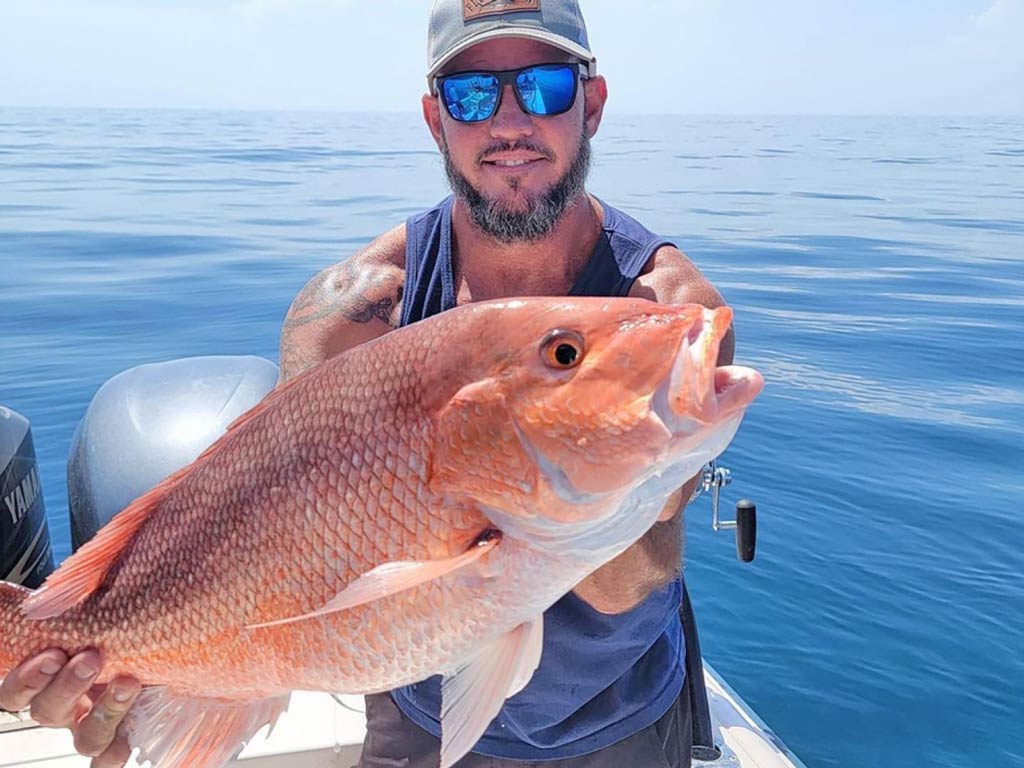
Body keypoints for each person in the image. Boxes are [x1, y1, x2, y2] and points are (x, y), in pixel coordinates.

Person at [0, 1, 734, 766]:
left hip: (617, 718)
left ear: (592, 104)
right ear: (433, 119)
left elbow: (623, 587)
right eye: (472, 95)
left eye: (544, 87)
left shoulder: (664, 316)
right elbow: (270, 548)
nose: (509, 122)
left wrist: (545, 505)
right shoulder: (349, 310)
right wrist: (133, 681)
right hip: (415, 709)